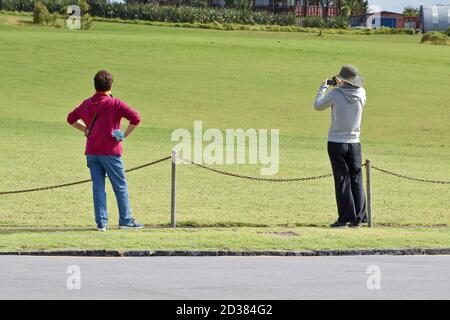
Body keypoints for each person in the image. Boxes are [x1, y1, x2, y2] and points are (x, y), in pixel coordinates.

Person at [67, 70, 144, 231]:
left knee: (98, 187)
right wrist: (123, 135)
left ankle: (101, 222)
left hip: (92, 152)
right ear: (110, 85)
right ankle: (126, 220)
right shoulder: (115, 103)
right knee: (120, 186)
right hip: (110, 151)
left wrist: (85, 130)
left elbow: (71, 119)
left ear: (94, 85)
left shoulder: (86, 103)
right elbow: (136, 118)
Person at [313, 65, 367, 228]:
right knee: (356, 179)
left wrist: (324, 88)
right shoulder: (361, 93)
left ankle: (345, 218)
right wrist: (342, 84)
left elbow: (318, 105)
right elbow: (352, 93)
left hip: (337, 141)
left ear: (342, 79)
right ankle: (360, 216)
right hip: (355, 142)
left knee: (342, 179)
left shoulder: (335, 93)